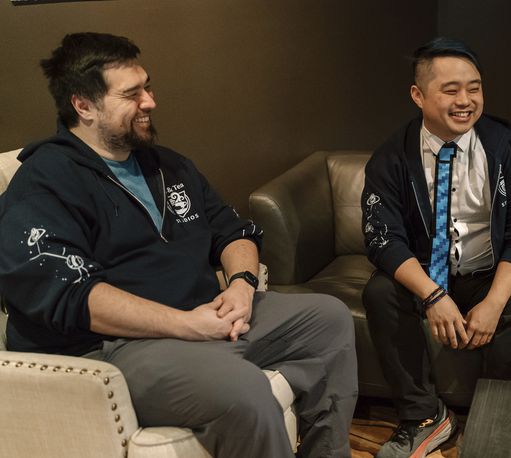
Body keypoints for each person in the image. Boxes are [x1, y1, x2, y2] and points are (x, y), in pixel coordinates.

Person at [0, 32, 357, 458]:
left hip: (203, 316)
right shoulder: (44, 182)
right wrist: (187, 325)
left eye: (147, 86)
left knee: (330, 319)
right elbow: (72, 295)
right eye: (132, 94)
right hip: (116, 347)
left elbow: (233, 230)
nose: (149, 101)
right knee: (244, 392)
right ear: (84, 105)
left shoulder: (167, 164)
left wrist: (241, 285)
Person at [361, 37, 511, 457]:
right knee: (379, 291)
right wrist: (432, 295)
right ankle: (424, 418)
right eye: (450, 90)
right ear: (418, 95)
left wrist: (495, 302)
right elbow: (381, 237)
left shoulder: (505, 147)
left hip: (487, 274)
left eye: (475, 87)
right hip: (425, 276)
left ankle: (498, 416)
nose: (466, 101)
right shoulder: (391, 156)